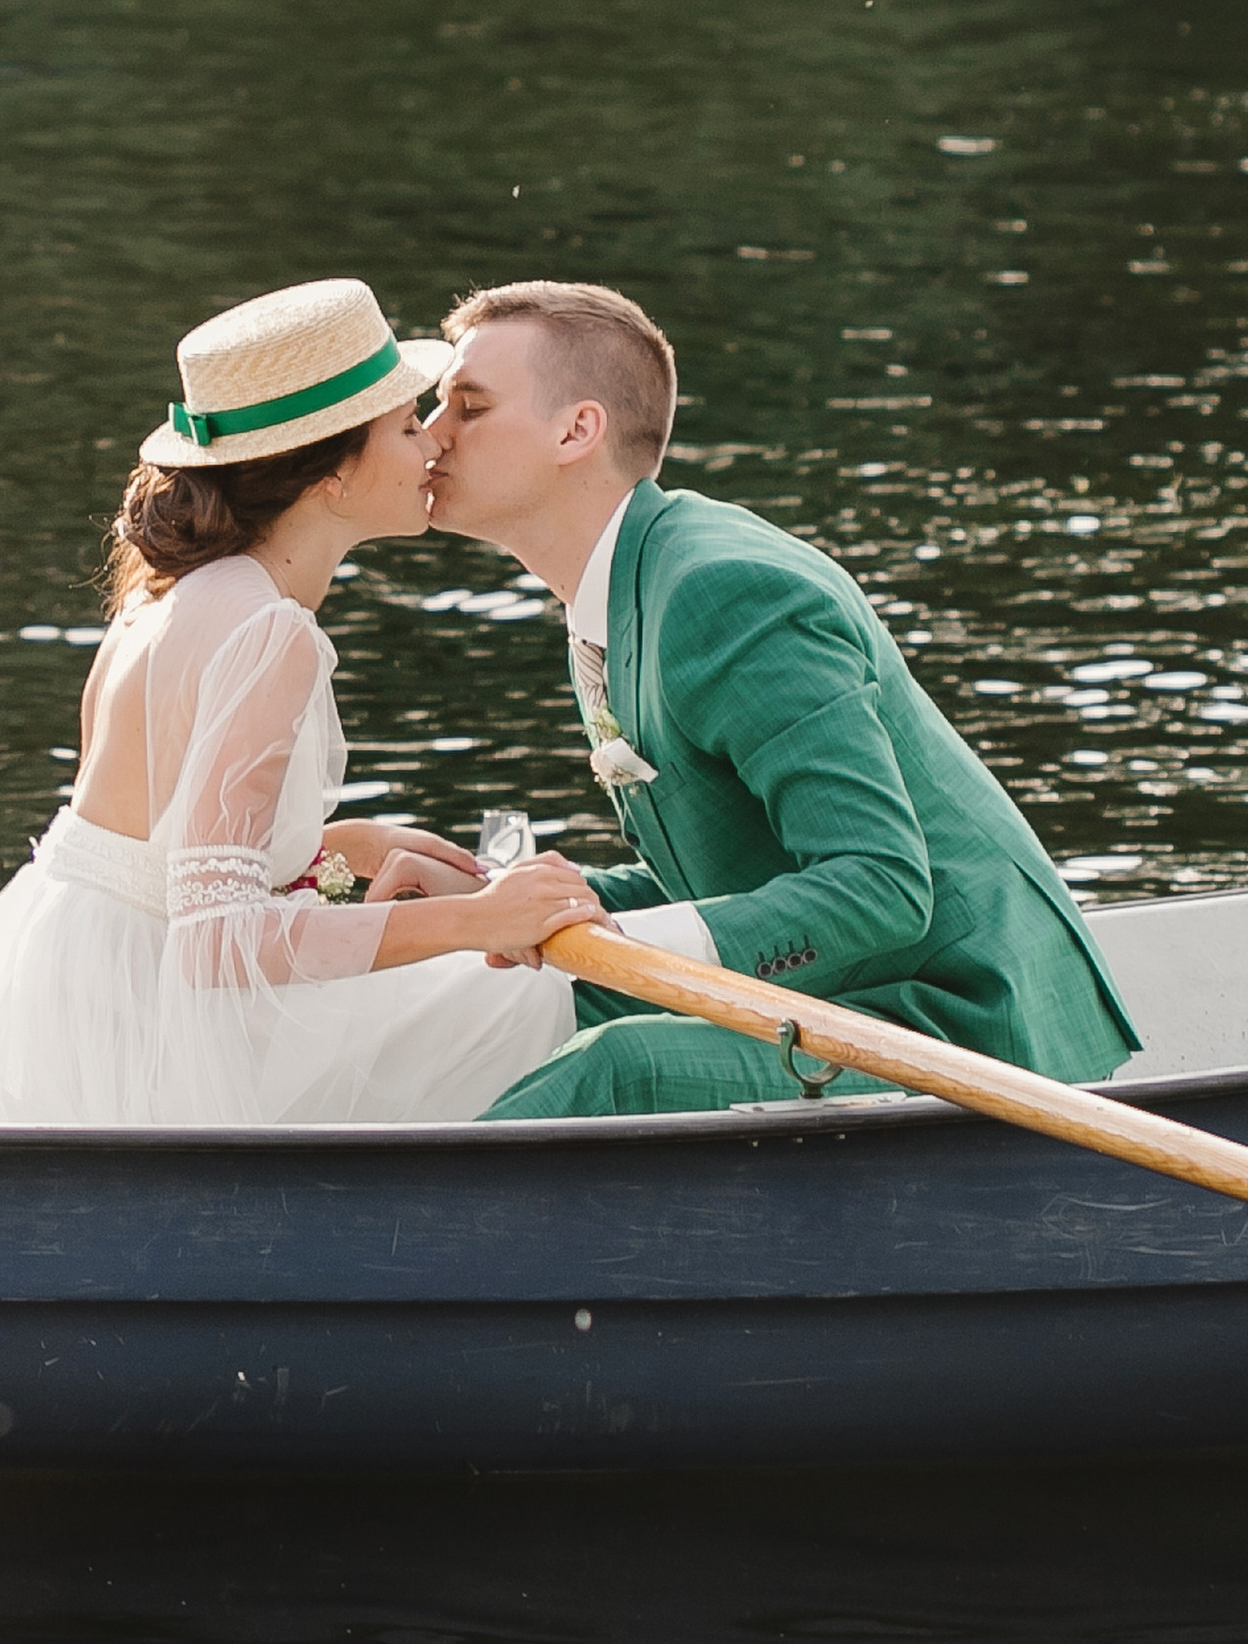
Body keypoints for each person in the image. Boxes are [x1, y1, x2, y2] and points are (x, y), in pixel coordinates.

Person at [420, 279, 1140, 1119]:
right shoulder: (620, 588)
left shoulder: (726, 591)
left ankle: (374, 1241)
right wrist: (496, 902)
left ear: (577, 430)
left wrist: (618, 946)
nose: (431, 435)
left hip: (959, 1023)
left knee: (618, 1064)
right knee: (479, 993)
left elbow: (879, 887)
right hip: (848, 988)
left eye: (467, 407)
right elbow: (735, 872)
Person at [0, 278, 574, 1128]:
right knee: (510, 999)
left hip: (72, 986)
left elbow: (161, 850)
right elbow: (218, 941)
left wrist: (346, 844)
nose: (433, 442)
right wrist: (477, 921)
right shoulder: (268, 635)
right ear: (330, 472)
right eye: (404, 425)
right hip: (149, 1026)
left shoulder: (169, 596)